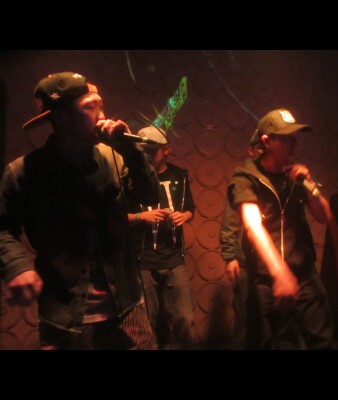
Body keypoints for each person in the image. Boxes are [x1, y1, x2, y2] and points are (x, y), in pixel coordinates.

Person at [0, 72, 161, 350]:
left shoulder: (113, 157)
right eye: (91, 107)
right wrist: (16, 267)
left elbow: (149, 195)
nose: (103, 116)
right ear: (61, 117)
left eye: (101, 105)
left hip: (126, 307)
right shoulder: (23, 172)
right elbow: (3, 228)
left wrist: (131, 151)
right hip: (64, 317)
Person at [228, 108, 335, 349]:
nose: (294, 143)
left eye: (295, 137)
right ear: (267, 141)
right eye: (287, 138)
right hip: (265, 278)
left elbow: (324, 217)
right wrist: (280, 272)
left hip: (304, 273)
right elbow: (253, 225)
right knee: (263, 342)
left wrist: (310, 185)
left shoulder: (295, 174)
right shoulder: (247, 175)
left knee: (324, 341)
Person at [128, 125, 196, 349]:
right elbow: (115, 216)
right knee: (147, 322)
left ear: (166, 150)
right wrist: (141, 216)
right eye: (143, 151)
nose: (146, 156)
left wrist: (183, 217)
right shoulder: (129, 178)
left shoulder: (179, 176)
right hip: (143, 260)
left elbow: (190, 208)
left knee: (184, 319)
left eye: (151, 151)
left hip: (173, 257)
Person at [220, 131, 262, 349]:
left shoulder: (278, 177)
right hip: (245, 261)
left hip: (272, 262)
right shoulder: (243, 179)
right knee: (243, 319)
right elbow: (230, 219)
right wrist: (230, 257)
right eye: (259, 148)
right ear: (252, 151)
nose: (264, 152)